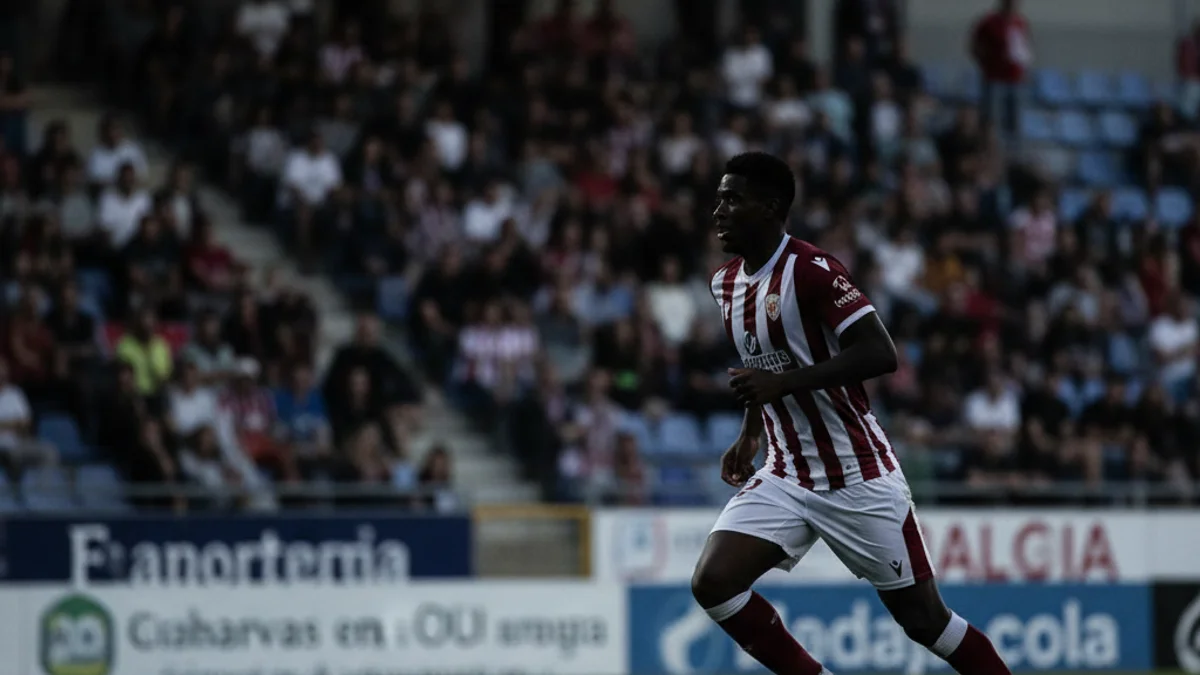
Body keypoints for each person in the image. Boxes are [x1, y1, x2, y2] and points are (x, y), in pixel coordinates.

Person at [693, 152, 1010, 675]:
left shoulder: (812, 271)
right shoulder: (724, 284)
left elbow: (880, 353)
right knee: (713, 582)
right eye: (719, 198)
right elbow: (761, 365)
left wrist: (782, 384)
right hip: (787, 472)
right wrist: (750, 434)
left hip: (856, 473)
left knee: (925, 622)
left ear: (769, 207)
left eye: (733, 199)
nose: (718, 211)